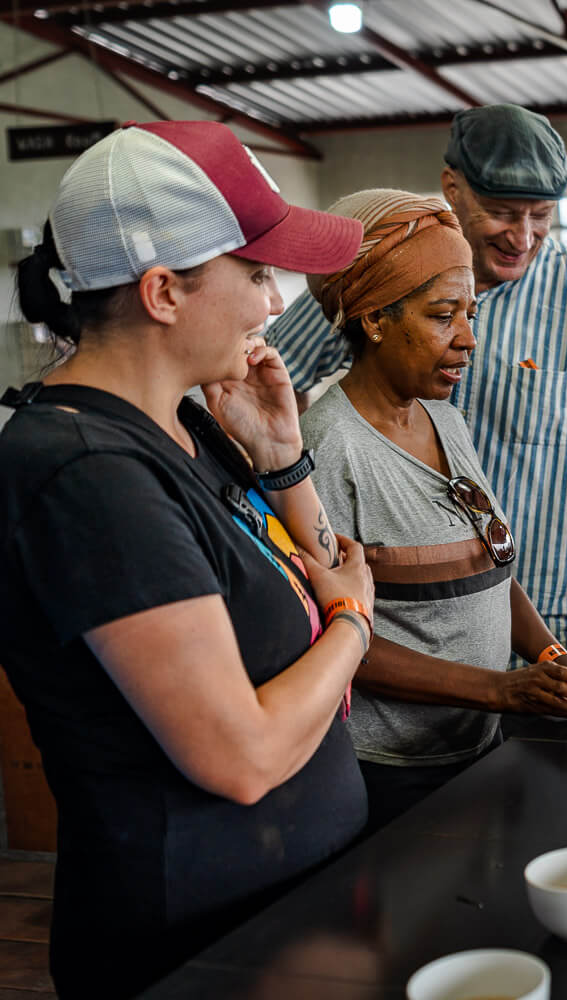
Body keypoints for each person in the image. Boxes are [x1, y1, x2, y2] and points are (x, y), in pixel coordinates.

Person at [0, 121, 375, 997]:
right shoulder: (86, 473)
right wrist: (357, 624)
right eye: (255, 273)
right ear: (163, 291)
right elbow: (238, 755)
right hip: (196, 946)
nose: (274, 302)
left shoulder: (189, 425)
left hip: (286, 912)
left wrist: (283, 459)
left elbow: (319, 574)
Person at [270, 104, 567, 652]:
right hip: (403, 616)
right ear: (453, 187)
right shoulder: (383, 267)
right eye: (501, 212)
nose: (523, 237)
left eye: (540, 215)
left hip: (539, 607)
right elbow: (272, 379)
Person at [301, 189, 567, 830]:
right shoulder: (330, 447)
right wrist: (497, 689)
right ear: (374, 318)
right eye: (442, 316)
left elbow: (491, 573)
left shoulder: (446, 421)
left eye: (472, 316)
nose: (467, 340)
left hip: (479, 749)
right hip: (395, 774)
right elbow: (340, 645)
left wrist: (554, 664)